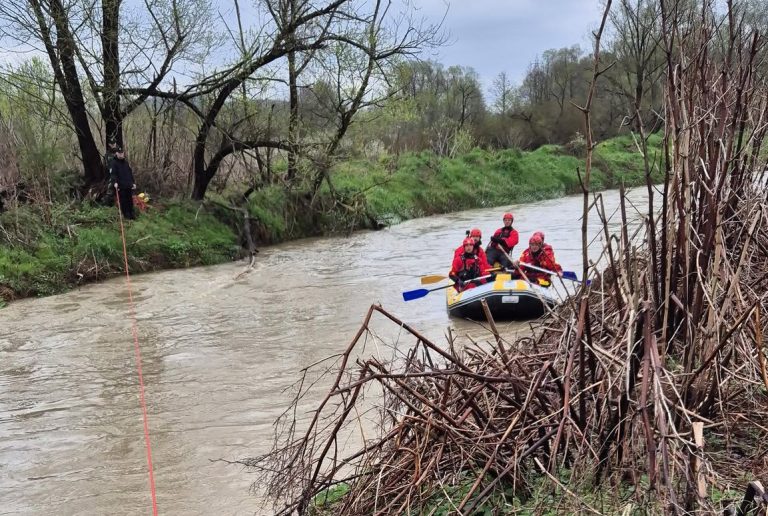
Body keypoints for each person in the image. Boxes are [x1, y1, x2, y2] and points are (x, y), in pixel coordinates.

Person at [110, 147, 136, 220]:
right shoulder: (114, 163)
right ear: (116, 153)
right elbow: (113, 174)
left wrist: (133, 183)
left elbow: (129, 173)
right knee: (123, 201)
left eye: (122, 153)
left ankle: (132, 214)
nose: (121, 154)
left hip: (128, 185)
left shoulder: (126, 163)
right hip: (121, 186)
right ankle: (126, 214)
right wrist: (115, 182)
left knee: (130, 200)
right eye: (119, 153)